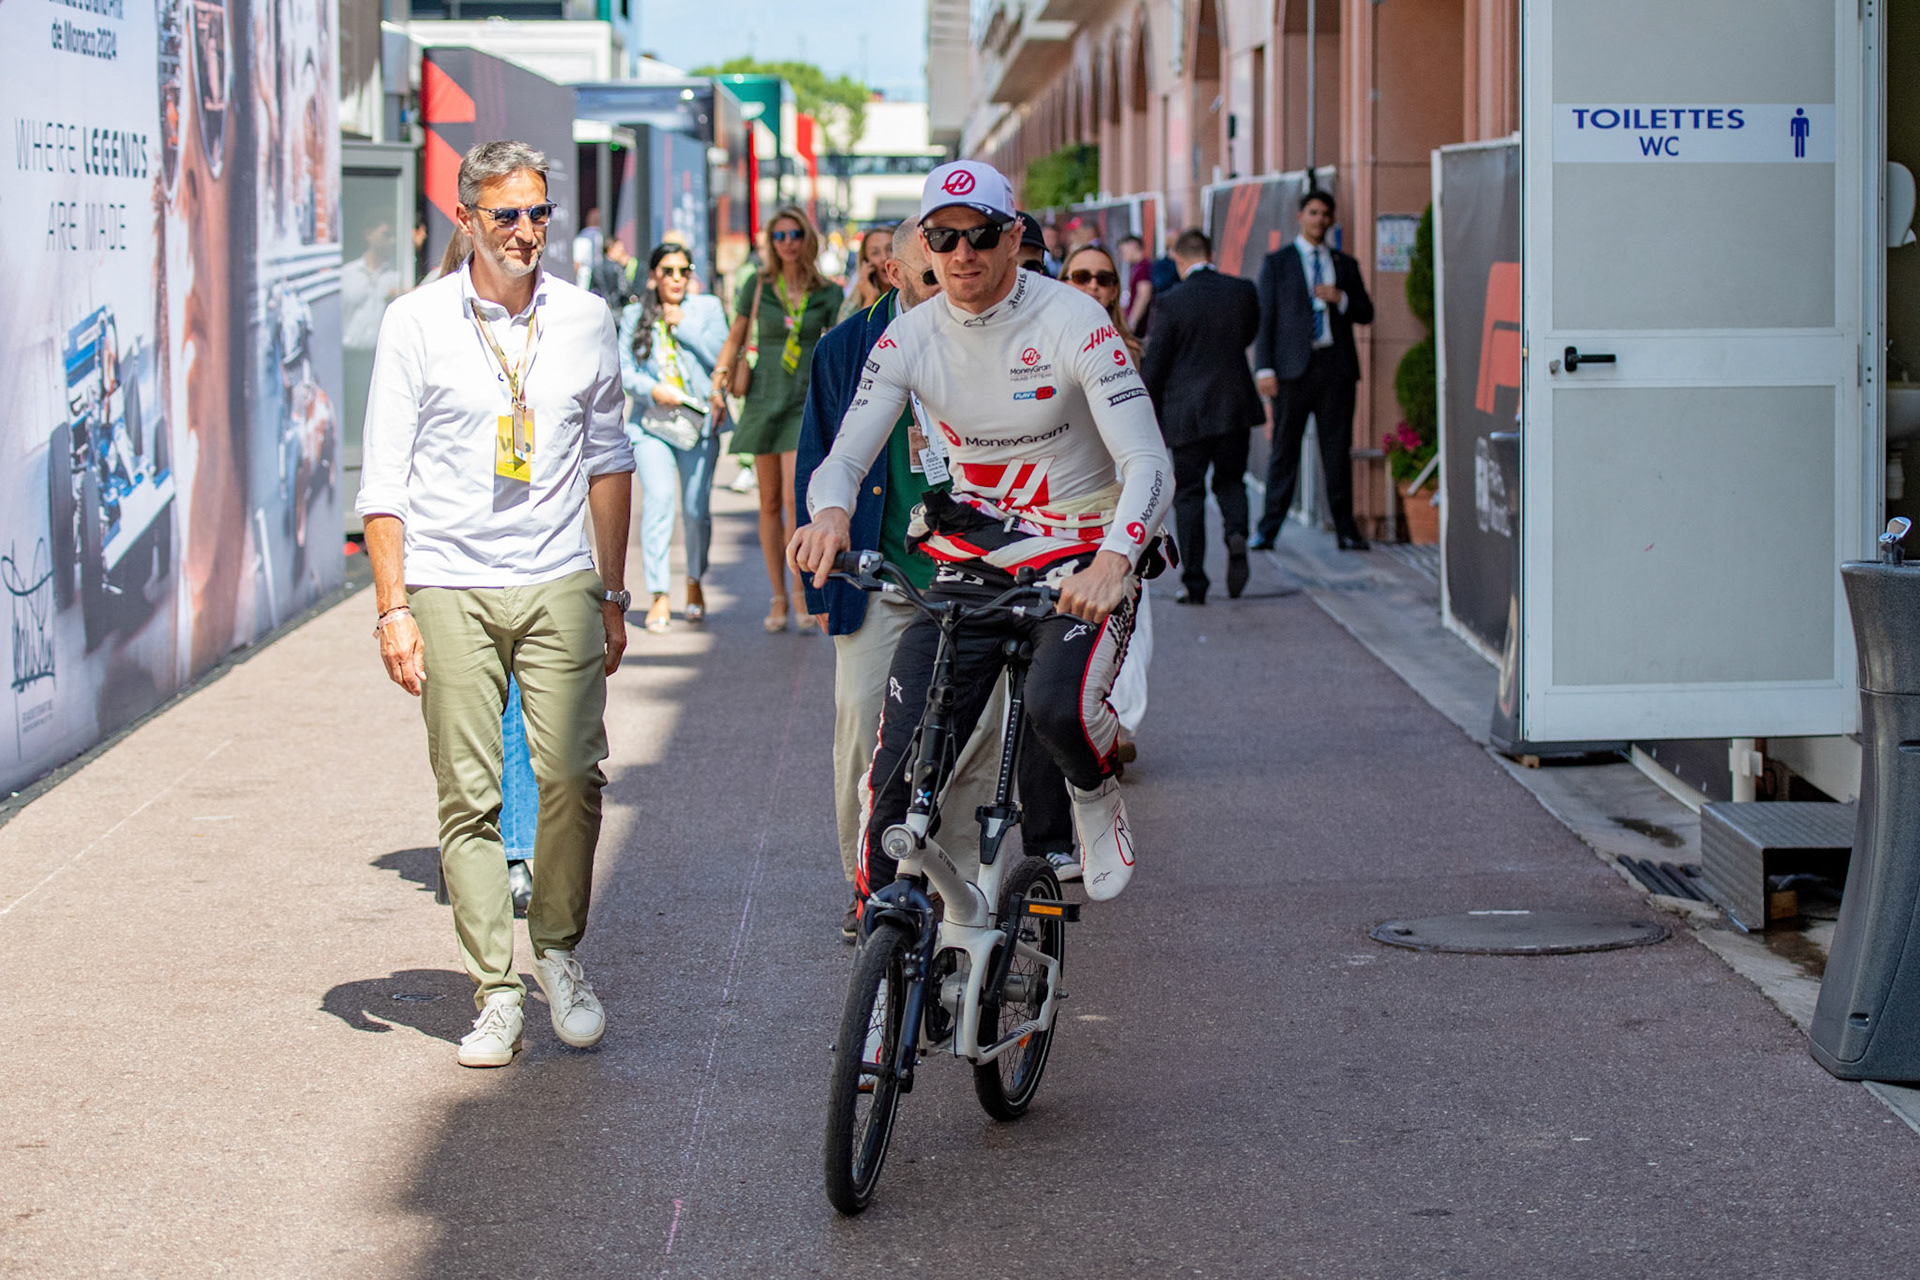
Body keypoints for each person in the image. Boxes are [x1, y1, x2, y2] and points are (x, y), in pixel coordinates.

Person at [791, 160, 1172, 904]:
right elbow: (844, 456)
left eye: (982, 235)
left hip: (1082, 549)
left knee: (1057, 707)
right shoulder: (907, 338)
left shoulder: (1072, 318)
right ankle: (881, 923)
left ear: (1012, 236)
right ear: (924, 247)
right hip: (977, 552)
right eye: (944, 237)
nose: (963, 253)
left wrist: (1117, 560)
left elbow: (1149, 460)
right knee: (899, 759)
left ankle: (1093, 800)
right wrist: (830, 513)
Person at [357, 140, 633, 1069]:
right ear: (466, 217)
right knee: (469, 795)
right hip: (448, 581)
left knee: (571, 774)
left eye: (540, 213)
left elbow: (609, 460)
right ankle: (494, 988)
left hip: (559, 574)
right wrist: (393, 608)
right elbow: (384, 479)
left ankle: (558, 952)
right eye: (507, 214)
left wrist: (614, 591)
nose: (527, 231)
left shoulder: (588, 318)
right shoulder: (417, 321)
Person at [798, 218, 993, 935]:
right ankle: (870, 887)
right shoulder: (848, 348)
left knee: (977, 739)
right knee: (864, 736)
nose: (950, 277)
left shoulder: (985, 336)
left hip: (975, 579)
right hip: (881, 578)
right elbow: (820, 456)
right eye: (930, 269)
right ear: (895, 275)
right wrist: (823, 578)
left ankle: (963, 890)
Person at [712, 205, 843, 632]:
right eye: (780, 236)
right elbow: (736, 336)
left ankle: (803, 593)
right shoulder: (758, 284)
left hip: (803, 402)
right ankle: (778, 597)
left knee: (792, 499)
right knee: (767, 502)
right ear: (771, 242)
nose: (788, 243)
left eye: (795, 235)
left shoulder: (826, 291)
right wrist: (719, 378)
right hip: (763, 398)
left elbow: (839, 345)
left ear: (808, 239)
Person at [1060, 241, 1152, 765]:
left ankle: (1120, 724)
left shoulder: (1131, 349)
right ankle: (1087, 716)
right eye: (1082, 277)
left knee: (1131, 612)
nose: (1094, 287)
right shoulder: (1044, 341)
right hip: (1066, 500)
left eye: (1104, 279)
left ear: (1117, 290)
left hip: (1126, 495)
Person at [1140, 228, 1263, 604]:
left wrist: (1148, 411)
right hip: (1234, 405)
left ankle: (1195, 583)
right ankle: (1237, 533)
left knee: (1189, 495)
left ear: (1178, 259)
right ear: (1211, 253)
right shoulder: (1242, 291)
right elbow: (1247, 336)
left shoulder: (1170, 301)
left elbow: (1156, 363)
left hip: (1187, 412)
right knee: (1231, 481)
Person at [1252, 189, 1376, 551]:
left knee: (1337, 451)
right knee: (1284, 452)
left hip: (1335, 369)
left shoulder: (1344, 263)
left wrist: (1343, 299)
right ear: (1300, 216)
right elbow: (1265, 320)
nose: (1319, 219)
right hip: (1291, 370)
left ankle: (1346, 530)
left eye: (1325, 214)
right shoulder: (1278, 263)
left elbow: (1366, 312)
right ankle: (1268, 528)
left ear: (1331, 220)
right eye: (1313, 212)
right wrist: (1264, 369)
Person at [620, 242, 726, 633]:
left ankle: (695, 582)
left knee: (696, 510)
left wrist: (685, 325)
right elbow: (625, 370)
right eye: (668, 271)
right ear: (653, 275)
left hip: (699, 424)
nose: (677, 278)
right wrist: (651, 390)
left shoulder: (708, 309)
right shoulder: (635, 314)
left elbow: (722, 357)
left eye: (684, 270)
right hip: (652, 425)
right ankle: (659, 594)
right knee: (660, 501)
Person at [838, 225, 894, 322]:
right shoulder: (853, 304)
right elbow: (857, 336)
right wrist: (870, 297)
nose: (884, 258)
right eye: (875, 253)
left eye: (890, 249)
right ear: (865, 262)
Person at [1119, 234, 1153, 335]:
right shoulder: (1136, 267)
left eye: (1124, 250)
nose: (1123, 255)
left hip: (1141, 326)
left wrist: (1132, 321)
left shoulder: (1143, 267)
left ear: (1134, 245)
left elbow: (1144, 293)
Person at [591, 238, 633, 308]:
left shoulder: (596, 268)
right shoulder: (618, 268)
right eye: (621, 251)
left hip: (599, 307)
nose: (623, 254)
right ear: (611, 250)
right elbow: (624, 289)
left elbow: (593, 289)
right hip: (616, 308)